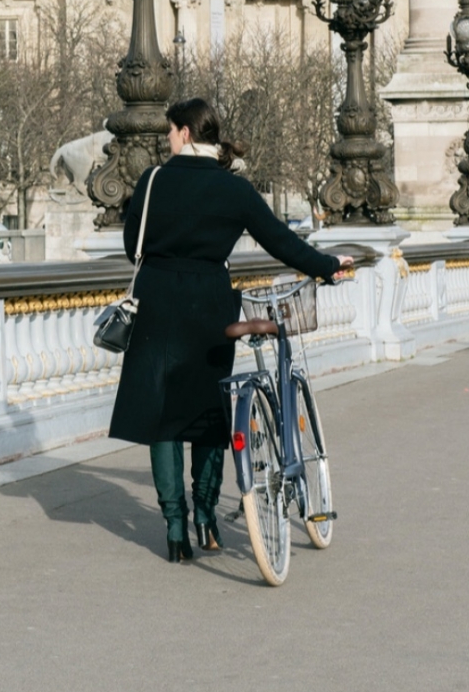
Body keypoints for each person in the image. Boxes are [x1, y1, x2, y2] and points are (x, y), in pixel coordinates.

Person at [108, 97, 352, 564]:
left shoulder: (154, 180)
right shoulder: (232, 189)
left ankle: (175, 528)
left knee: (164, 420)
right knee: (206, 415)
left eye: (169, 131)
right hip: (210, 305)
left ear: (183, 133)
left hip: (159, 304)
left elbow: (129, 245)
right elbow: (280, 240)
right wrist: (326, 267)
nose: (166, 139)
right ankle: (205, 517)